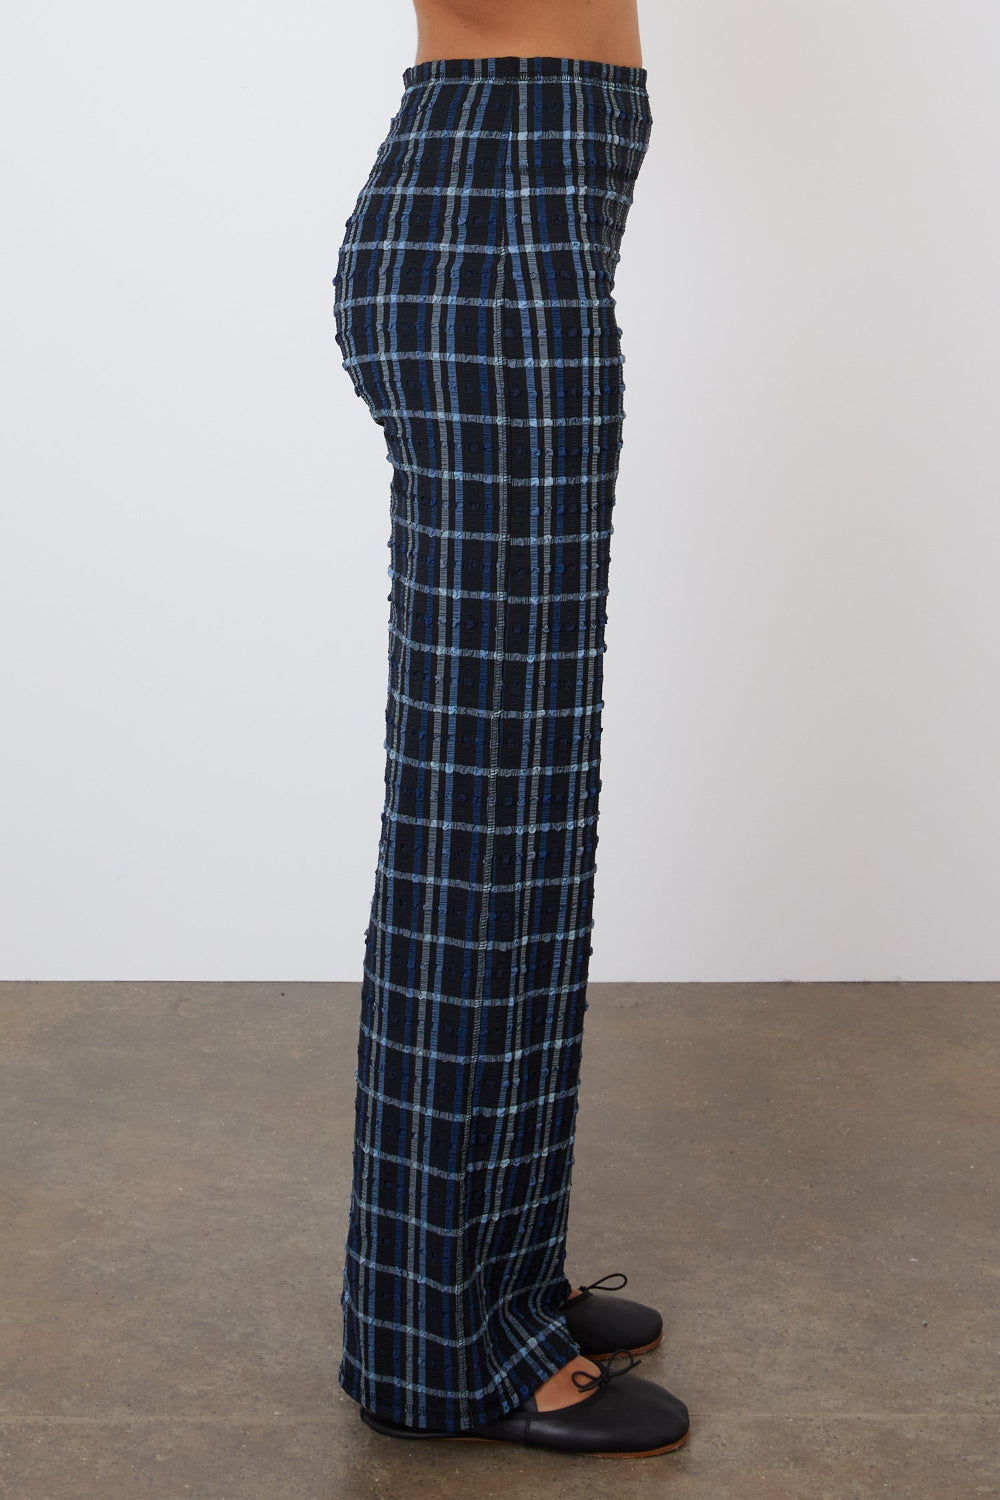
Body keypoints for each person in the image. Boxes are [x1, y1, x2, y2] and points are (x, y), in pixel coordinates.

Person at [332, 0, 690, 1458]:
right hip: (496, 219)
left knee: (529, 805)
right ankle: (441, 1350)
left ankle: (503, 1277)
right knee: (483, 825)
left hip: (521, 209)